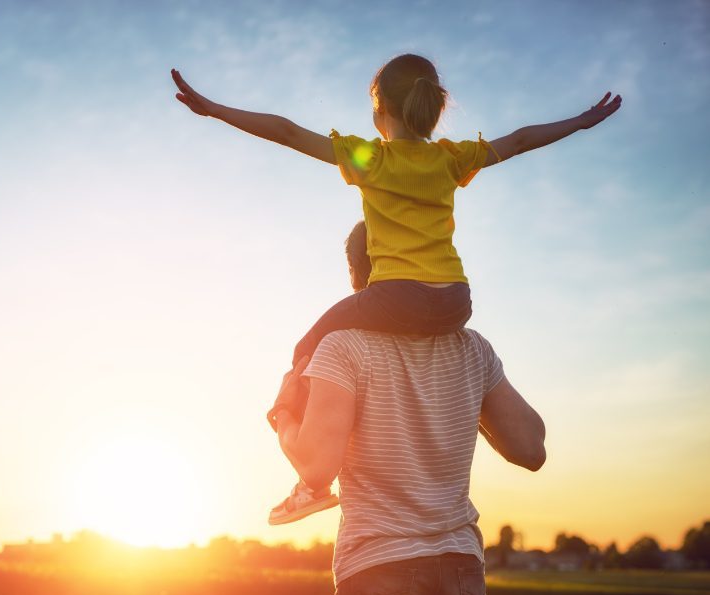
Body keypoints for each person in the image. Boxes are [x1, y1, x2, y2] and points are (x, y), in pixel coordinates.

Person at [171, 54, 619, 522]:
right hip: (454, 301)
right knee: (377, 336)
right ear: (430, 107)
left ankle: (311, 484)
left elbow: (286, 131)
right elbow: (523, 139)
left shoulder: (371, 157)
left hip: (396, 296)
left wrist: (217, 110)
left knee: (308, 346)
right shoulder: (452, 157)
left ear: (379, 108)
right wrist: (582, 122)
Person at [273, 220, 546, 595]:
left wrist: (282, 413)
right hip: (461, 566)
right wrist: (467, 396)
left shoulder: (342, 348)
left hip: (378, 567)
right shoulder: (472, 349)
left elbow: (317, 470)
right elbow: (531, 448)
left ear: (356, 274)